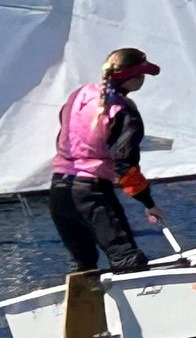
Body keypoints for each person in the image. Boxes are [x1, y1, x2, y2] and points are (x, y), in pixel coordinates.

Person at [48, 49, 163, 275]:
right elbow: (125, 165)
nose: (143, 81)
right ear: (134, 79)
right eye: (142, 76)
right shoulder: (125, 111)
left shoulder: (79, 94)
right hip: (91, 194)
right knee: (128, 260)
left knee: (83, 265)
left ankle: (82, 305)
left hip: (59, 192)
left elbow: (65, 130)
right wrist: (148, 203)